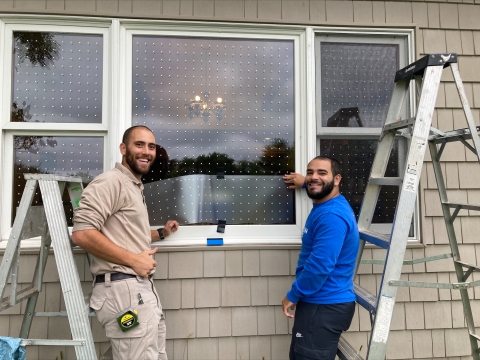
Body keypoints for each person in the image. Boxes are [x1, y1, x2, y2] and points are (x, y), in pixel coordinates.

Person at [72, 125, 179, 360]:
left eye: (151, 146)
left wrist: (162, 233)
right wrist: (134, 261)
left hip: (138, 288)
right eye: (138, 144)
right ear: (123, 148)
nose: (146, 151)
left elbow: (127, 232)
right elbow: (82, 233)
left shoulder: (132, 185)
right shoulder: (111, 182)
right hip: (124, 289)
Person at [282, 156, 359, 360]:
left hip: (322, 306)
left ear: (337, 179)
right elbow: (318, 189)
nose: (314, 177)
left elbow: (320, 266)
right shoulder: (329, 205)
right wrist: (304, 182)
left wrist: (294, 294)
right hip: (323, 303)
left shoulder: (331, 216)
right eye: (310, 173)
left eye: (322, 173)